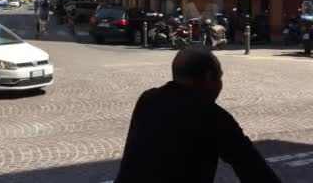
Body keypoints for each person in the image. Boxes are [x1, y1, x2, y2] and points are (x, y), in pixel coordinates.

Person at [114, 48, 281, 183]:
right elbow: (254, 169)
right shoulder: (212, 116)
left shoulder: (147, 99)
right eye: (220, 77)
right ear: (209, 77)